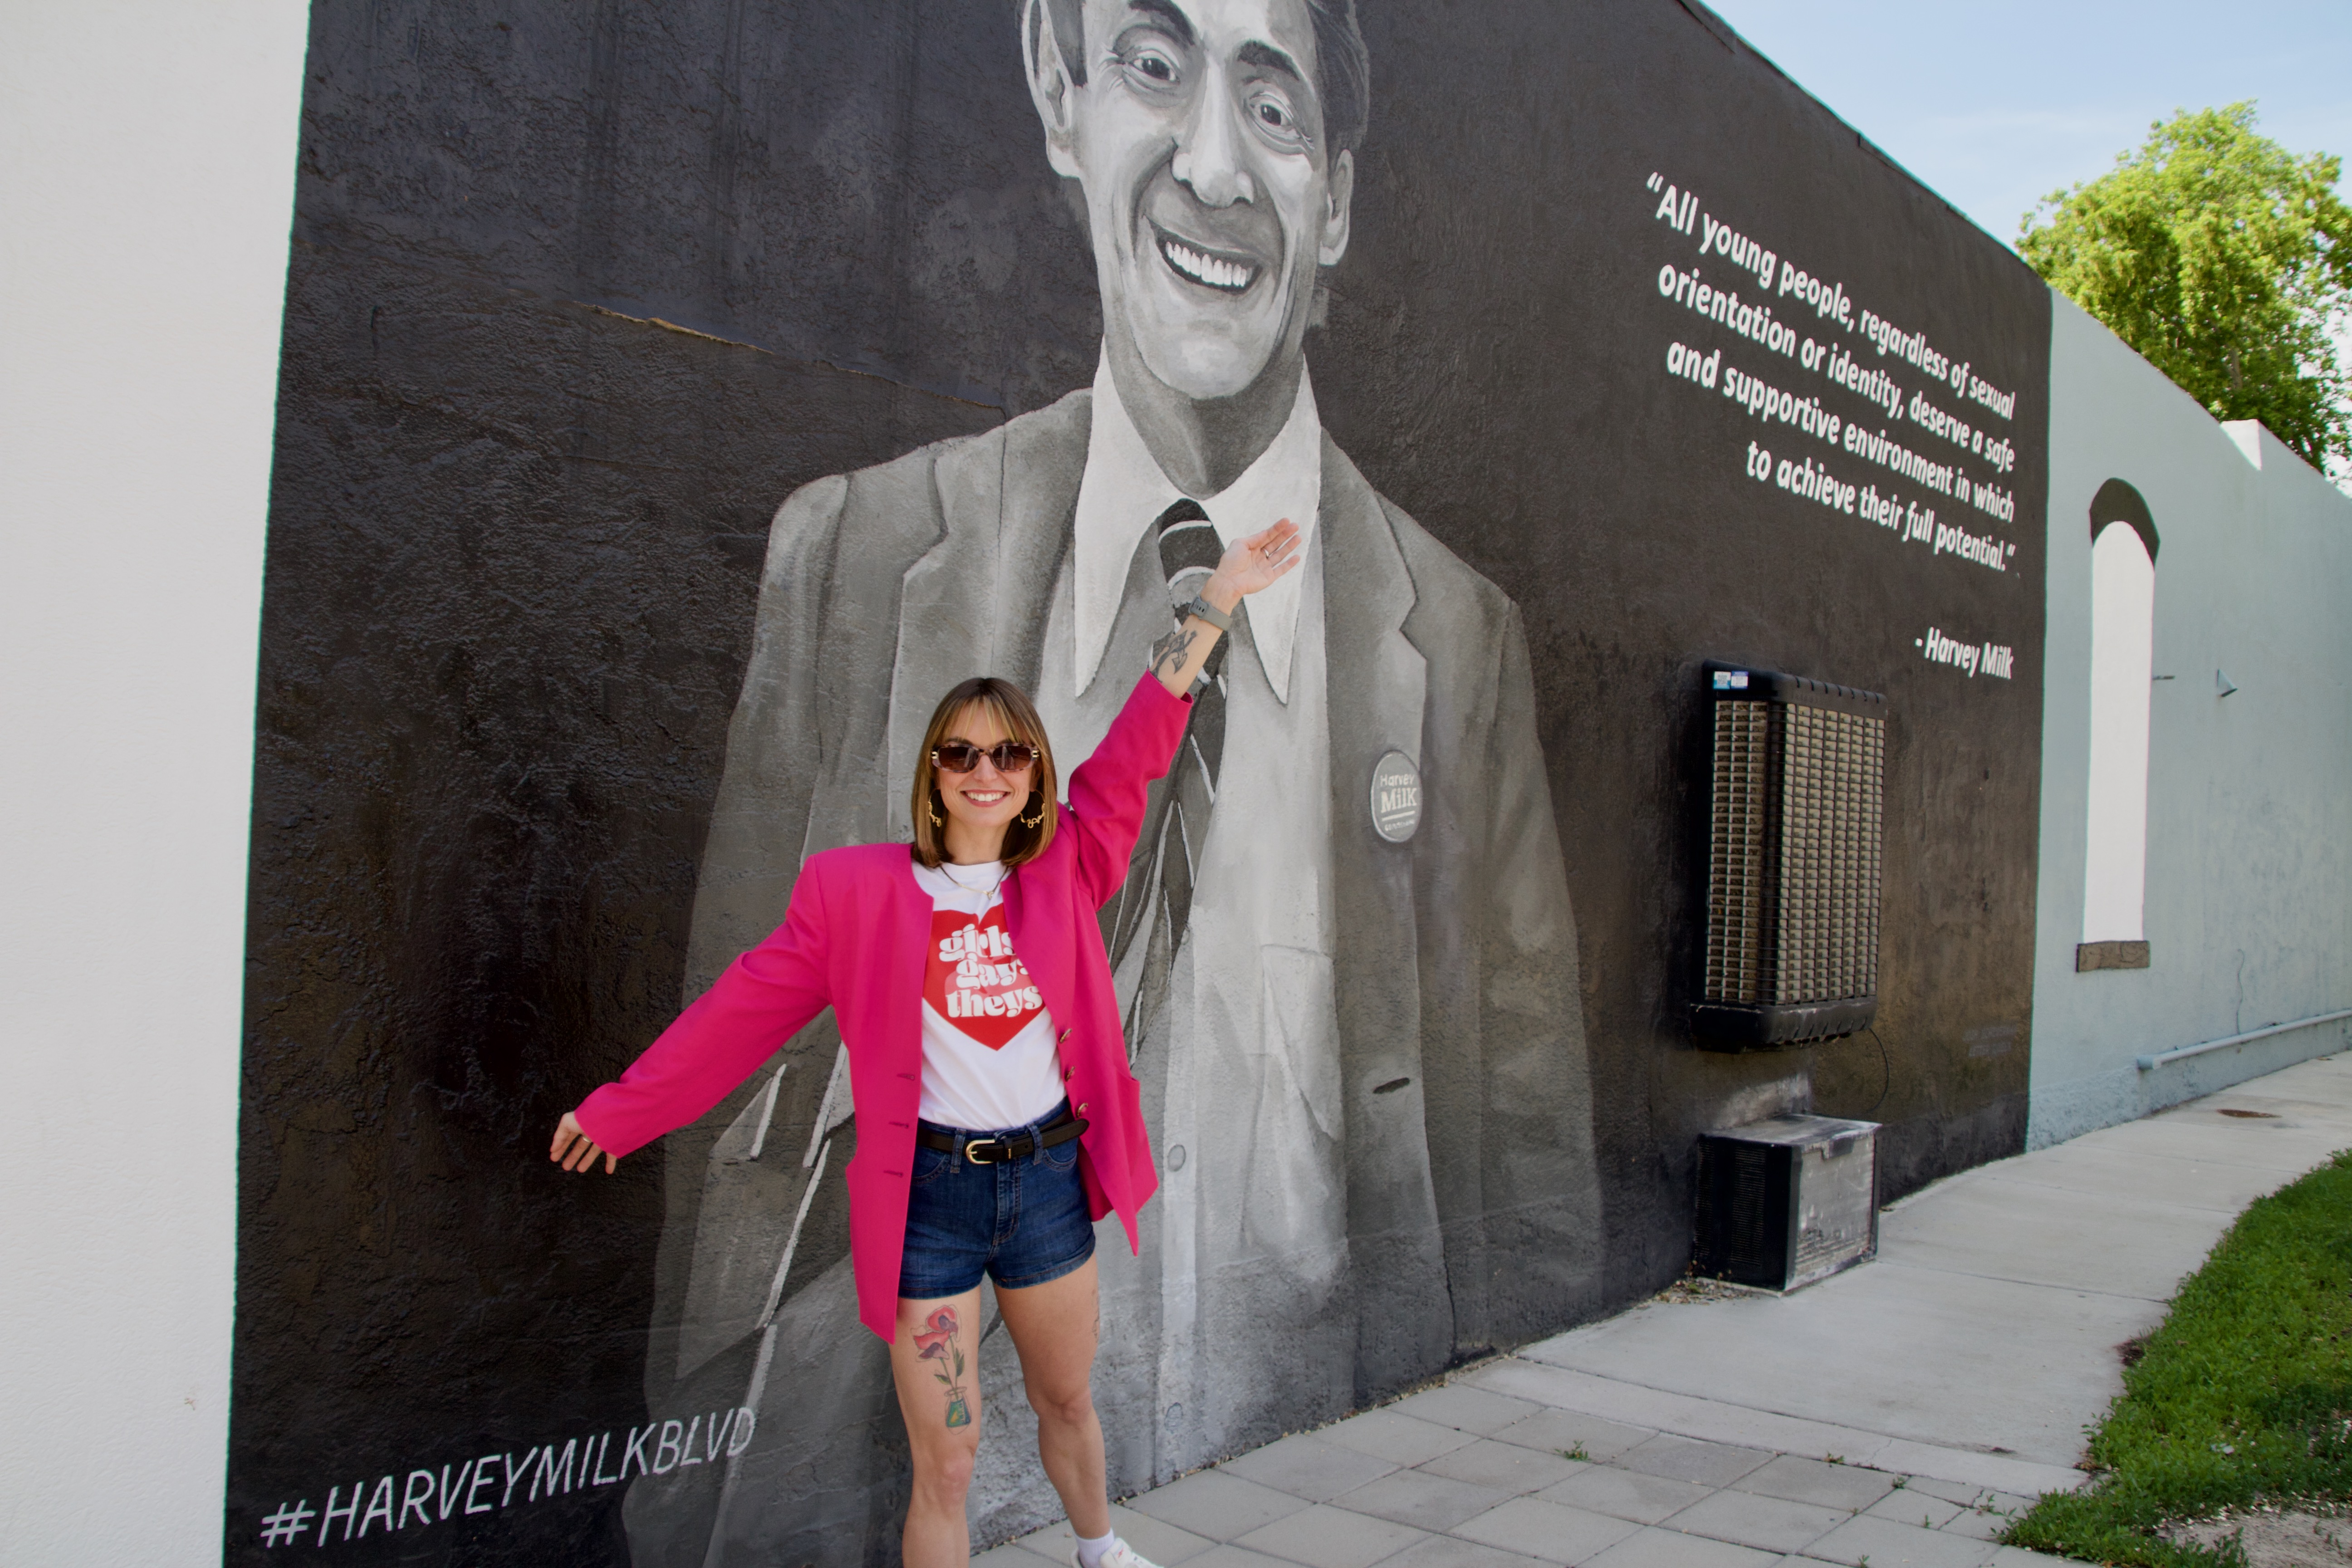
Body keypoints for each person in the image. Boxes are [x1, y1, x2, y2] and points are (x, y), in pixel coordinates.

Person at [646, 0, 1602, 1558]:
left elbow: (1534, 1166)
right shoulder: (850, 563)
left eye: (1274, 106)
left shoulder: (1463, 647)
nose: (1213, 167)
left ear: (1336, 200)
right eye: (1154, 67)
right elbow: (728, 1154)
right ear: (1058, 90)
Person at [550, 519, 1303, 1568]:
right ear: (934, 772)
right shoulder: (855, 893)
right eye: (962, 753)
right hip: (930, 1206)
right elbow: (740, 1015)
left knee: (1067, 1401)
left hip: (1045, 1187)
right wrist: (621, 1111)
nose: (985, 771)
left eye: (1009, 753)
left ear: (1035, 774)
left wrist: (1218, 597)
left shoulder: (1070, 862)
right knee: (946, 1459)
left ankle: (1099, 1550)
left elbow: (1147, 733)